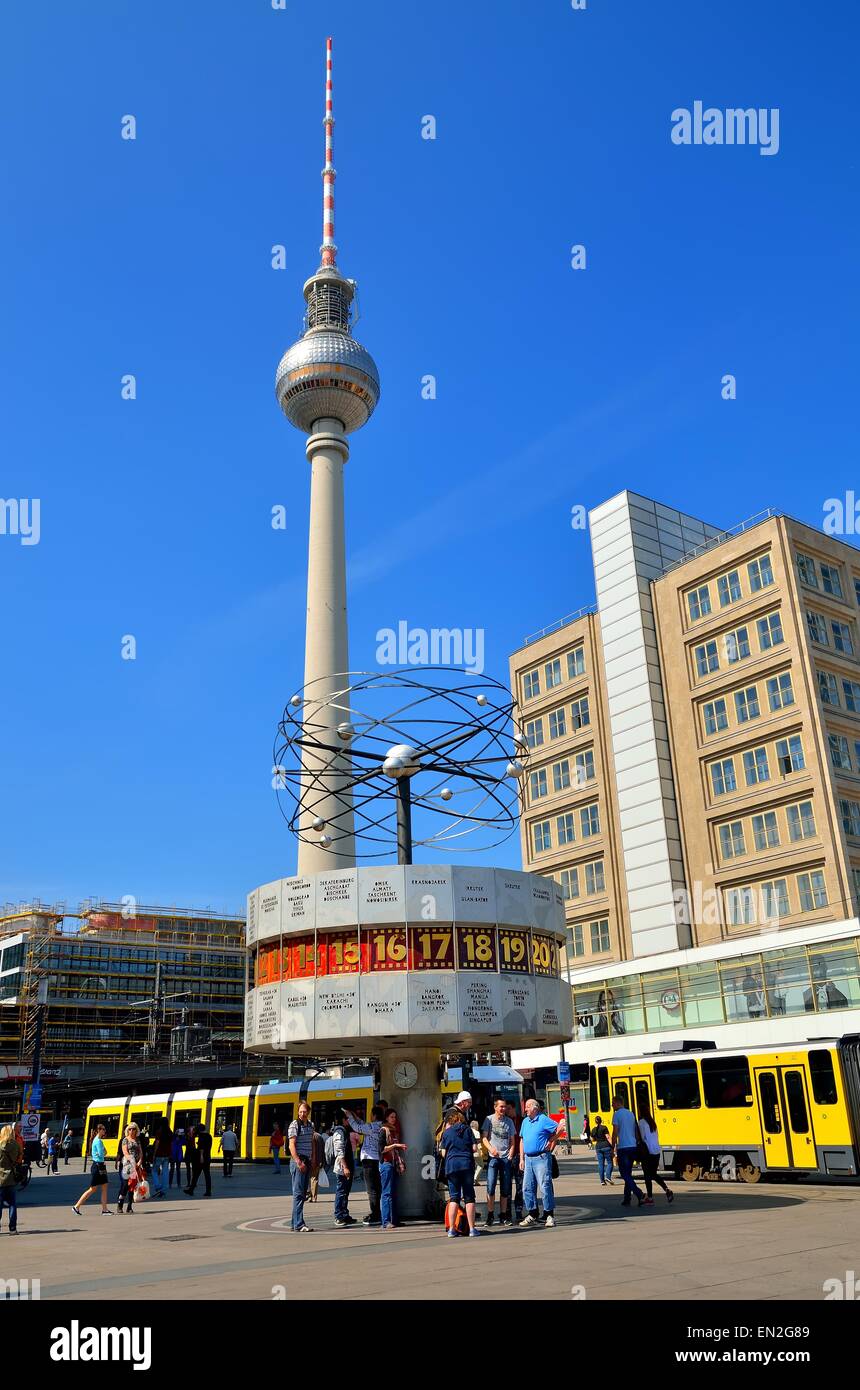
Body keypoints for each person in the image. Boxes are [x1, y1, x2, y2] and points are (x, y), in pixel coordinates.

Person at [519, 1098, 559, 1227]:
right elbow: (522, 1140)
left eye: (527, 1107)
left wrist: (552, 1140)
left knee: (544, 1186)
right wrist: (521, 1158)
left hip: (541, 1158)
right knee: (527, 1187)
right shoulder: (525, 1121)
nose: (525, 1110)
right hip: (529, 1158)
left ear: (535, 1108)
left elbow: (559, 1128)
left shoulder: (543, 1119)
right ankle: (533, 1213)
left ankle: (549, 1214)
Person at [440, 1109, 480, 1237]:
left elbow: (443, 1153)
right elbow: (474, 1148)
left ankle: (452, 1229)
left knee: (454, 1197)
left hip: (452, 1166)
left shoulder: (446, 1133)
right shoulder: (468, 1130)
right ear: (461, 1120)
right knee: (469, 1197)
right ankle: (472, 1229)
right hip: (466, 1165)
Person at [344, 1104, 385, 1227]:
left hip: (369, 1160)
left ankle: (375, 1214)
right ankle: (377, 1212)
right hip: (377, 1159)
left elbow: (357, 1127)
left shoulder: (372, 1126)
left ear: (374, 1115)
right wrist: (356, 1116)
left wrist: (350, 1117)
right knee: (377, 1188)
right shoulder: (380, 1126)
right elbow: (363, 1124)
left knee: (371, 1189)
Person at [481, 1097, 517, 1227]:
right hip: (493, 1157)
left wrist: (511, 1154)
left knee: (505, 1188)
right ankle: (490, 1215)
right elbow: (484, 1138)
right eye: (501, 1106)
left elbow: (512, 1140)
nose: (503, 1109)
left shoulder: (509, 1122)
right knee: (490, 1186)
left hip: (505, 1158)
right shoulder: (489, 1120)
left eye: (505, 1106)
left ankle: (503, 1215)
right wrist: (491, 1149)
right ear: (495, 1107)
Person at [611, 1095, 645, 1208]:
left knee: (624, 1173)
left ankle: (639, 1194)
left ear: (617, 1102)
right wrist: (637, 1142)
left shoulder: (617, 1115)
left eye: (613, 1103)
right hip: (633, 1146)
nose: (612, 1105)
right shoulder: (631, 1113)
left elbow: (615, 1132)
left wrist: (612, 1147)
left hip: (623, 1148)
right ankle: (627, 1198)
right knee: (628, 1174)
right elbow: (636, 1129)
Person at [72, 1122, 111, 1216]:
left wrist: (103, 1152)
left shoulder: (97, 1140)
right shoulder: (98, 1141)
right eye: (104, 1129)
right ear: (100, 1130)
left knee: (104, 1187)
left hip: (99, 1165)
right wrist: (103, 1152)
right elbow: (103, 1153)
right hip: (98, 1166)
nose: (105, 1131)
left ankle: (104, 1209)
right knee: (93, 1188)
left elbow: (104, 1152)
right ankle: (76, 1206)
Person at [288, 1101, 315, 1232]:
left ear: (308, 1112)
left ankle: (295, 1223)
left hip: (307, 1161)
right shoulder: (294, 1125)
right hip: (298, 1162)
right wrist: (298, 1162)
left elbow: (311, 1143)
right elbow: (291, 1145)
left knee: (302, 1193)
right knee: (298, 1194)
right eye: (300, 1111)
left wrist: (313, 1158)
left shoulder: (311, 1125)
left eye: (304, 1111)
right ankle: (299, 1224)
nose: (302, 1114)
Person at [638, 1107, 673, 1206]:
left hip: (648, 1152)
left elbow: (642, 1137)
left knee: (647, 1176)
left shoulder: (641, 1122)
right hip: (656, 1151)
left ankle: (650, 1198)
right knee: (653, 1174)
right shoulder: (652, 1122)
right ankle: (667, 1190)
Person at [379, 1111, 407, 1231]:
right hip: (386, 1164)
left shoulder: (394, 1130)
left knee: (393, 1193)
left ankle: (394, 1219)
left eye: (395, 1117)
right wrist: (396, 1146)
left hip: (393, 1164)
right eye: (391, 1117)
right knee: (387, 1193)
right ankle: (386, 1221)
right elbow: (381, 1149)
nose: (394, 1119)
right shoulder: (383, 1130)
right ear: (386, 1118)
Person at [331, 1110, 356, 1227]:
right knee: (341, 1191)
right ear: (343, 1120)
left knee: (345, 1192)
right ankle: (338, 1215)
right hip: (342, 1167)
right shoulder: (339, 1131)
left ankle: (345, 1214)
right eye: (347, 1119)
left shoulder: (345, 1131)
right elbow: (339, 1150)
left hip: (348, 1166)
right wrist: (345, 1167)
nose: (349, 1121)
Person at [117, 1123, 143, 1214]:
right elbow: (125, 1153)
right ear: (127, 1130)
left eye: (133, 1129)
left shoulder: (137, 1140)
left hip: (135, 1166)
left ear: (136, 1130)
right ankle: (120, 1204)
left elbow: (140, 1152)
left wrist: (139, 1162)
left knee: (132, 1186)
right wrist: (132, 1162)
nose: (131, 1131)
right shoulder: (125, 1140)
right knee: (125, 1185)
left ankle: (129, 1206)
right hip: (127, 1166)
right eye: (130, 1129)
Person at [0, 1123, 21, 1234]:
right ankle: (12, 1229)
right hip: (11, 1178)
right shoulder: (16, 1145)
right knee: (12, 1204)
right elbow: (19, 1159)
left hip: (0, 1178)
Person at [506, 1101, 525, 1221]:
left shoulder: (522, 1121)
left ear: (513, 1108)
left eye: (508, 1108)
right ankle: (507, 1211)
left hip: (518, 1155)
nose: (506, 1111)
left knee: (520, 1185)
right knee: (506, 1186)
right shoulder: (505, 1121)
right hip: (507, 1156)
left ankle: (518, 1210)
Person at [186, 1122, 212, 1197]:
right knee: (207, 1175)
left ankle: (191, 1190)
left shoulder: (202, 1136)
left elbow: (201, 1148)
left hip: (202, 1158)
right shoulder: (209, 1136)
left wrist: (201, 1157)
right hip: (207, 1157)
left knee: (196, 1174)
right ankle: (208, 1191)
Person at [151, 1119, 173, 1199]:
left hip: (159, 1154)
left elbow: (157, 1143)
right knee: (165, 1172)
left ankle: (158, 1186)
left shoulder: (159, 1132)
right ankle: (163, 1190)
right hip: (167, 1155)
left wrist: (154, 1154)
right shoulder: (170, 1132)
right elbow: (171, 1144)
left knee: (154, 1171)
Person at [590, 1114, 613, 1186]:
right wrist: (613, 1146)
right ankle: (608, 1177)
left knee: (601, 1164)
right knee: (610, 1162)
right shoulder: (604, 1127)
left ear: (595, 1122)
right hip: (606, 1146)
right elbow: (608, 1137)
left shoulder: (593, 1129)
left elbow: (592, 1139)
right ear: (601, 1121)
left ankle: (602, 1181)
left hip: (598, 1147)